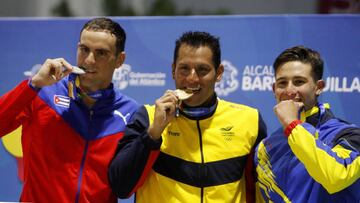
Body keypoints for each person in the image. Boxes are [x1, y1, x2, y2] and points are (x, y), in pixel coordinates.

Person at [108, 31, 267, 203]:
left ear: (219, 73)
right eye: (184, 69)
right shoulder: (148, 118)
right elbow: (121, 187)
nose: (192, 79)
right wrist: (153, 134)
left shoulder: (249, 121)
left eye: (202, 70)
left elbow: (261, 191)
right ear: (173, 70)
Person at [0, 17, 138, 202]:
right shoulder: (43, 93)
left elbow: (128, 185)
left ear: (119, 60)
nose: (89, 60)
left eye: (101, 53)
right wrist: (32, 85)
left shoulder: (130, 113)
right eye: (84, 49)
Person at [254, 45, 360, 202]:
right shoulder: (265, 147)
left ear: (318, 87)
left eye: (299, 82)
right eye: (282, 83)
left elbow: (336, 177)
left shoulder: (349, 135)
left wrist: (292, 124)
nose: (289, 91)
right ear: (274, 89)